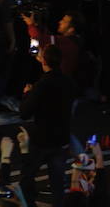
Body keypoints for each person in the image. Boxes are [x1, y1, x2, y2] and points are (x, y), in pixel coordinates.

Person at [19, 44, 77, 207]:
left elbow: (25, 112)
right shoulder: (69, 82)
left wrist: (27, 94)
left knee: (27, 177)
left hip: (42, 139)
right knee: (58, 182)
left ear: (44, 61)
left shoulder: (42, 85)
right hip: (61, 138)